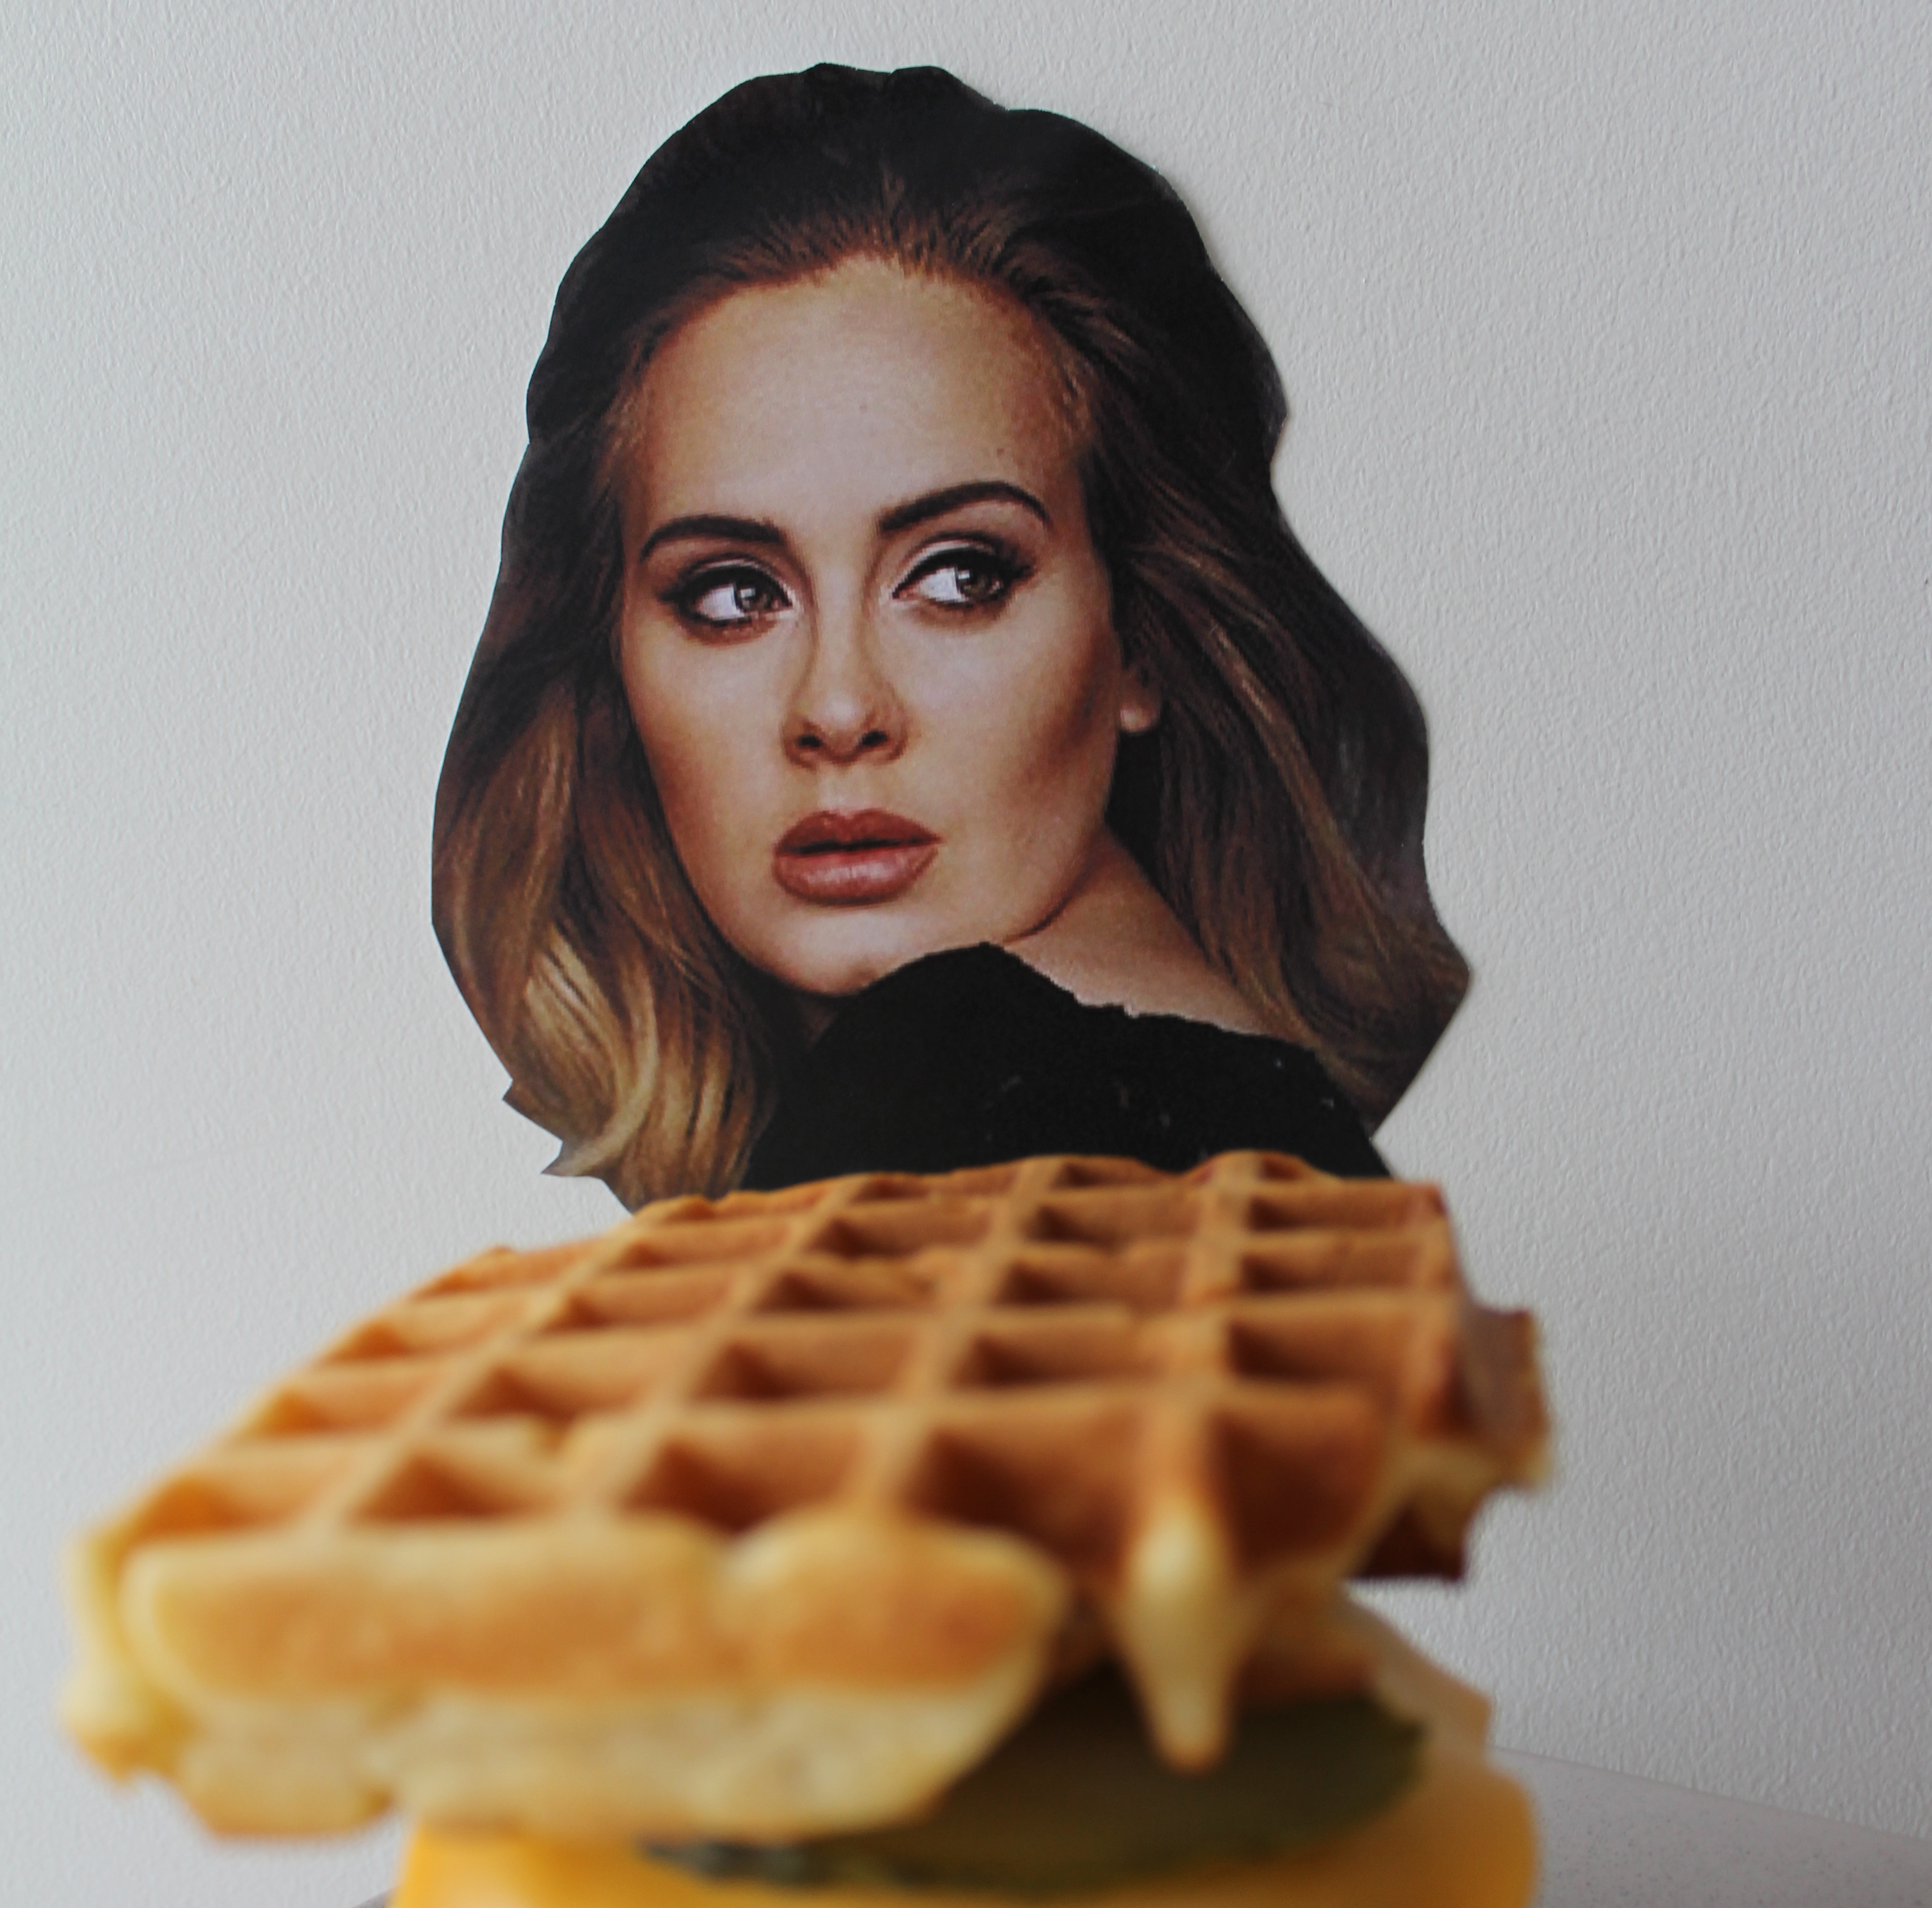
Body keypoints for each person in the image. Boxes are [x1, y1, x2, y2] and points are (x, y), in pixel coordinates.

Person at [433, 66, 1467, 1205]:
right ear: (612, 661)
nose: (838, 709)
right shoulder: (1233, 1103)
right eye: (733, 595)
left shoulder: (941, 1103)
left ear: (1142, 636)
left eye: (961, 576)